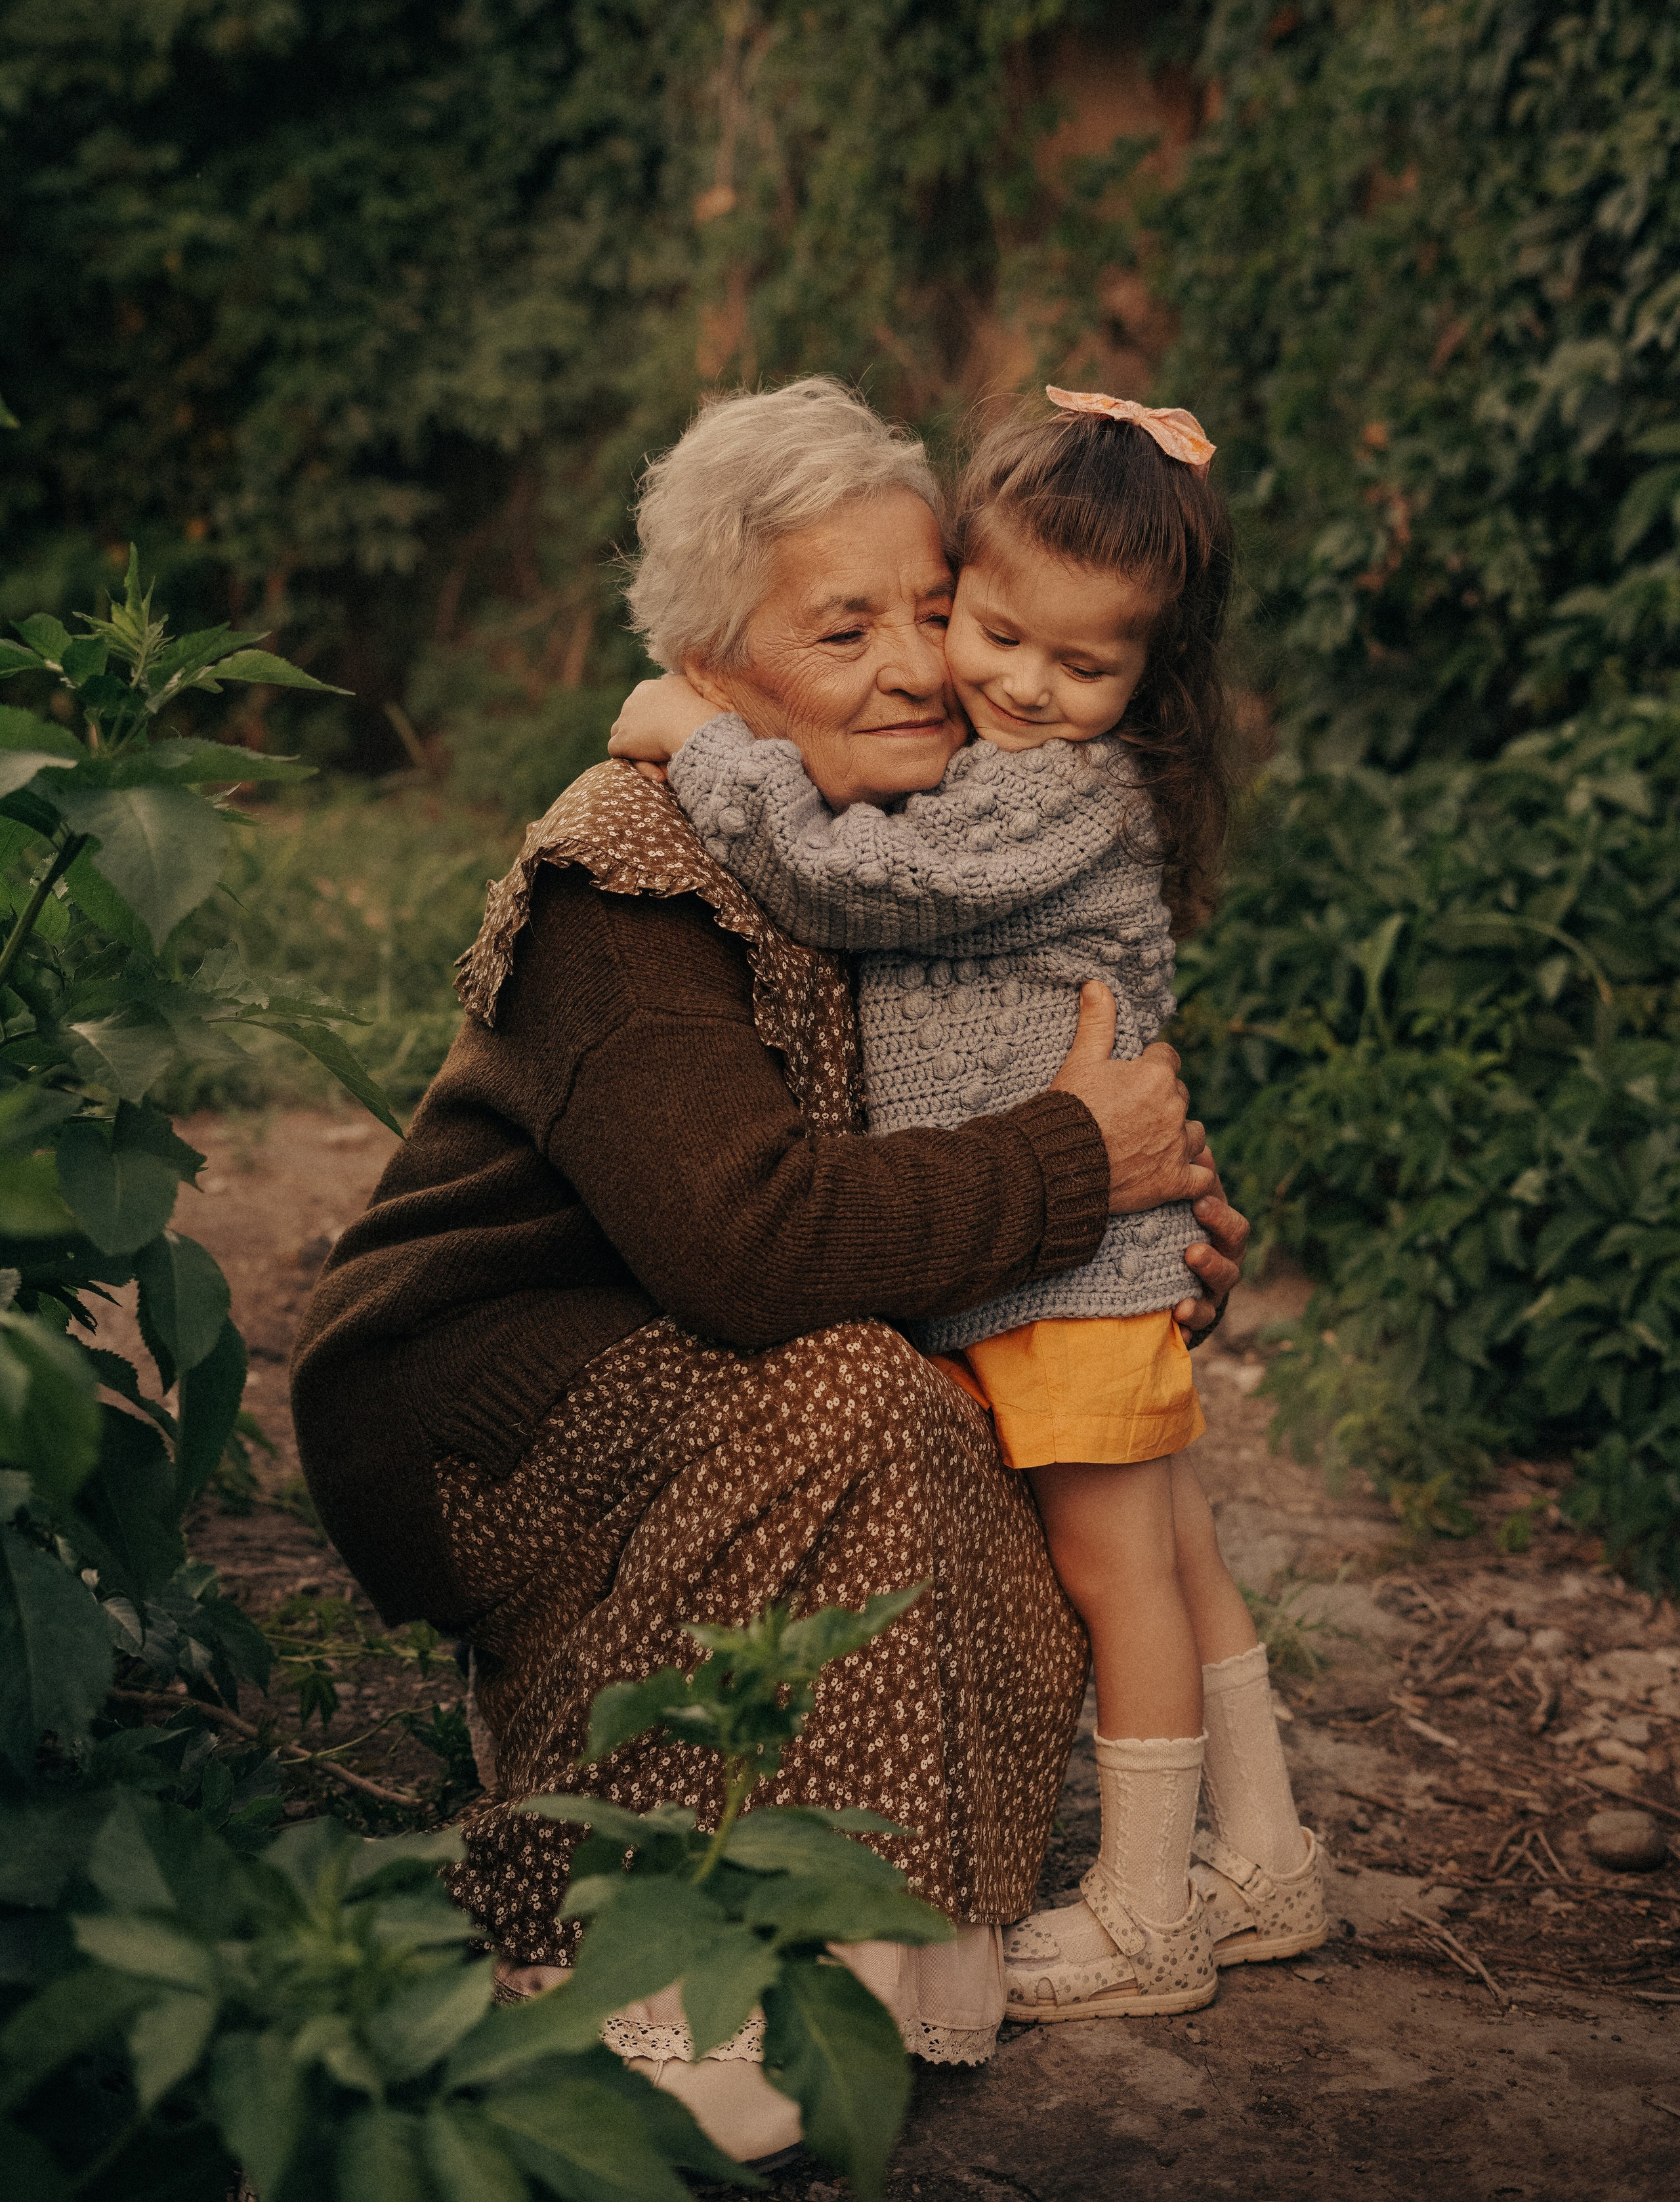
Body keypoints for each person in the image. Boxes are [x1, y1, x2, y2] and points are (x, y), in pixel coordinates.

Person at [291, 377, 1250, 2161]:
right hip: (479, 1389)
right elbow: (756, 1246)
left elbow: (992, 1115)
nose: (917, 669)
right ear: (711, 667)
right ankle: (667, 1980)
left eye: (928, 610)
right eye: (842, 628)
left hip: (698, 1313)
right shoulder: (628, 875)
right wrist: (1073, 1165)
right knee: (856, 1398)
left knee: (1009, 1421)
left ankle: (891, 1946)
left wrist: (1148, 1231)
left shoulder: (909, 843)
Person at [608, 386, 1324, 2030]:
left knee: (1114, 1576)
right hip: (1087, 1249)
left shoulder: (1050, 791)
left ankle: (1145, 1911)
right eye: (987, 631)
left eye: (1082, 665)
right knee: (1178, 1557)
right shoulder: (1006, 767)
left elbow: (860, 881)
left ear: (1149, 672)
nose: (1012, 685)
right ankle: (1263, 1860)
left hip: (1072, 1269)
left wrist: (700, 742)